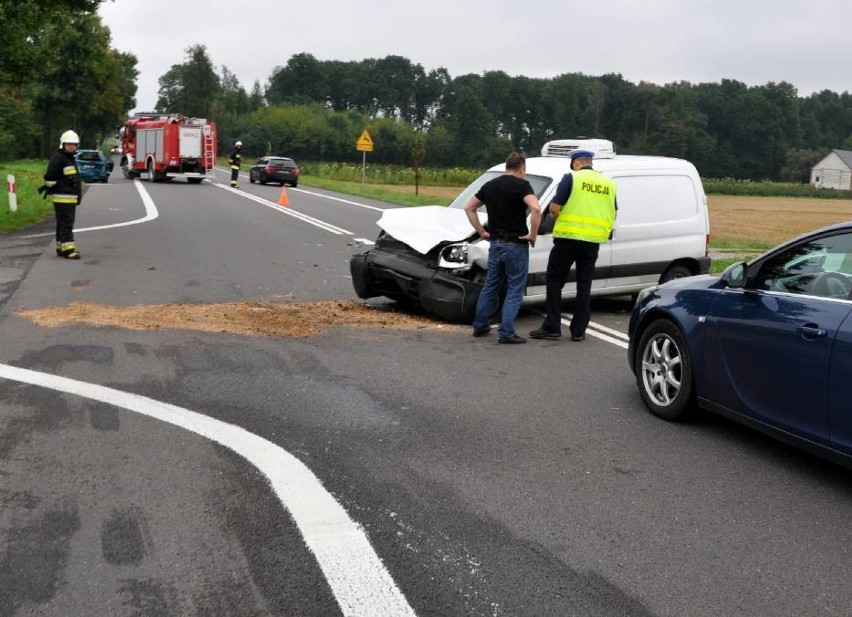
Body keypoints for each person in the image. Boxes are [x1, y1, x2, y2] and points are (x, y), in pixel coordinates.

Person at [529, 149, 617, 342]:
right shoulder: (608, 184)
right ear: (590, 162)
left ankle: (552, 327)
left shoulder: (572, 178)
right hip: (592, 242)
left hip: (568, 239)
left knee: (555, 281)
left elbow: (554, 207)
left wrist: (558, 219)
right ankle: (579, 331)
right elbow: (614, 213)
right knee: (584, 285)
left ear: (576, 163)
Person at [464, 152, 542, 344]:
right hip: (516, 245)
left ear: (507, 167)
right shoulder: (522, 186)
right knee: (515, 289)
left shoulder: (491, 185)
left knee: (491, 285)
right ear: (522, 169)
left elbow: (469, 207)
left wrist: (482, 232)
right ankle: (506, 333)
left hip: (496, 243)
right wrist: (533, 234)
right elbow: (536, 208)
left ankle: (480, 325)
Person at [42, 130, 83, 259]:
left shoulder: (70, 159)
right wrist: (51, 187)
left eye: (73, 144)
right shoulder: (58, 159)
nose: (71, 146)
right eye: (68, 144)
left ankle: (61, 247)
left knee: (63, 223)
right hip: (63, 198)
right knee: (66, 223)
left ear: (77, 146)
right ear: (63, 145)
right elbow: (50, 177)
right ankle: (69, 250)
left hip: (69, 198)